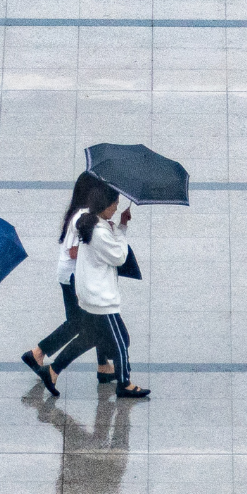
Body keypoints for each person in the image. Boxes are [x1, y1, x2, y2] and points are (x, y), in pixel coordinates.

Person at [21, 171, 115, 397]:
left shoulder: (83, 212)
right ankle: (39, 354)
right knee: (85, 323)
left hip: (71, 275)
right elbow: (74, 251)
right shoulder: (81, 215)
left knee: (88, 321)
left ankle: (103, 366)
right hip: (74, 277)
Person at [74, 184, 150, 399]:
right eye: (114, 203)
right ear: (104, 205)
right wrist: (122, 232)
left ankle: (56, 369)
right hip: (101, 299)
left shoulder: (97, 225)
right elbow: (119, 256)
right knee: (120, 342)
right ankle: (124, 383)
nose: (117, 207)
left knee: (103, 339)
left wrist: (121, 224)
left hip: (94, 296)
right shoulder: (99, 232)